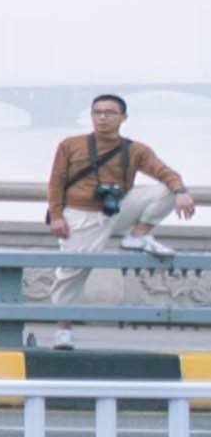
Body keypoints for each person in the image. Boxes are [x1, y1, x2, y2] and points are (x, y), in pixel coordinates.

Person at [47, 93, 182, 309]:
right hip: (81, 216)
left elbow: (165, 172)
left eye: (110, 113)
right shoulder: (70, 145)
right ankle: (63, 328)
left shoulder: (136, 149)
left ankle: (138, 236)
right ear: (91, 116)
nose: (103, 117)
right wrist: (56, 216)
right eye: (97, 112)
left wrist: (181, 191)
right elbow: (56, 182)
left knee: (169, 190)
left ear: (123, 118)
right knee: (72, 273)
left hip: (117, 209)